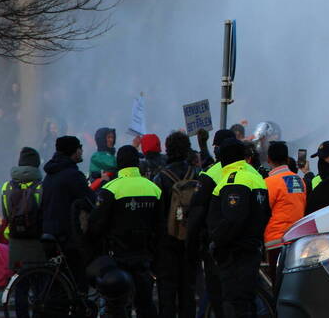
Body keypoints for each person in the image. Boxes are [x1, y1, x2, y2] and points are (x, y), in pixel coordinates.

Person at [87, 145, 162, 318]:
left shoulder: (111, 189)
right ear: (137, 163)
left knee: (118, 306)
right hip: (144, 258)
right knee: (145, 304)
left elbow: (96, 224)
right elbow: (160, 226)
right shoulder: (153, 188)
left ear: (119, 164)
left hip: (117, 259)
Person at [207, 139, 271, 318]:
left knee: (235, 303)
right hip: (252, 249)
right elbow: (266, 213)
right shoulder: (255, 177)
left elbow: (233, 219)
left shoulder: (234, 179)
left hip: (234, 254)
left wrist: (217, 242)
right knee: (247, 302)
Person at [186, 128, 235, 318]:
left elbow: (197, 214)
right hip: (246, 245)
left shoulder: (210, 175)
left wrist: (191, 248)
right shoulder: (253, 172)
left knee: (218, 296)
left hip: (216, 246)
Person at [153, 132, 200, 318]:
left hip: (167, 242)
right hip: (190, 241)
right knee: (188, 292)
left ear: (168, 149)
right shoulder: (196, 174)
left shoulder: (161, 177)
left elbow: (158, 214)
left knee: (167, 294)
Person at [41, 136, 93, 287]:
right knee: (78, 276)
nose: (82, 151)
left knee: (59, 280)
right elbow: (90, 201)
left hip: (49, 230)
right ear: (74, 151)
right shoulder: (73, 175)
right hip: (67, 234)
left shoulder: (51, 173)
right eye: (80, 148)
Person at [0, 148, 46, 272]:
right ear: (36, 165)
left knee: (19, 277)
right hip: (36, 239)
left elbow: (5, 215)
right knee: (38, 275)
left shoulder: (6, 187)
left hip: (14, 238)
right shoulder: (42, 186)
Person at [262, 142, 306, 269]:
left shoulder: (268, 182)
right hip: (298, 238)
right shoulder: (299, 180)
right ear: (287, 159)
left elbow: (263, 211)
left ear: (268, 159)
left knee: (277, 279)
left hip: (276, 240)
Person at [302, 141, 329, 215]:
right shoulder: (316, 180)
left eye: (324, 157)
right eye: (319, 157)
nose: (321, 161)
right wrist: (307, 172)